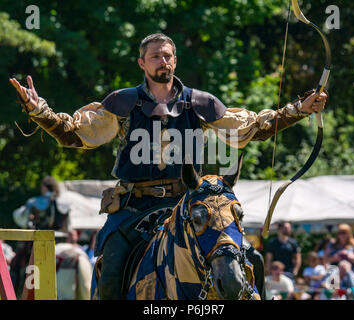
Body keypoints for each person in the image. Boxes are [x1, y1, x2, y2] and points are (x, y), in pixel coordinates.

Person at [9, 33, 328, 299]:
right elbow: (79, 133)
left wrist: (299, 109)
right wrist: (40, 111)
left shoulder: (201, 103)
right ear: (142, 63)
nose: (163, 61)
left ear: (175, 61)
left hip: (189, 205)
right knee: (112, 269)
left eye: (168, 56)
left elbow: (251, 127)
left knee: (249, 258)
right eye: (155, 56)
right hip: (134, 208)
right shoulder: (123, 102)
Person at [55, 230, 93, 300]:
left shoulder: (81, 249)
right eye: (71, 235)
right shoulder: (81, 251)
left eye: (74, 235)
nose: (73, 237)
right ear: (68, 237)